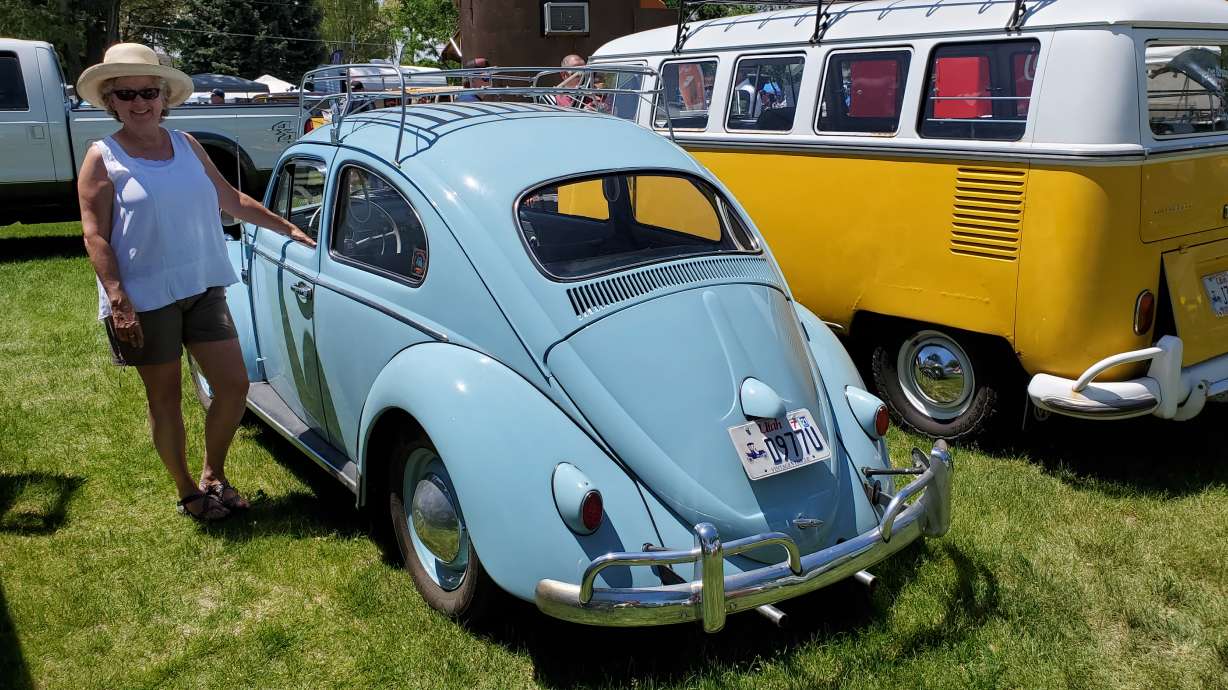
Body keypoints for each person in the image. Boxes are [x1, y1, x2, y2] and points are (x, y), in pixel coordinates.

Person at [75, 43, 314, 522]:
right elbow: (94, 234)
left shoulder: (186, 144)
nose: (139, 103)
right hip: (144, 299)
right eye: (126, 94)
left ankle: (213, 474)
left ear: (164, 96)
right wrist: (118, 299)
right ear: (111, 101)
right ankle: (187, 490)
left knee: (234, 385)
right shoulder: (102, 157)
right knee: (164, 400)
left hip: (202, 286)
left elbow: (231, 199)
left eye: (148, 92)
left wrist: (287, 227)